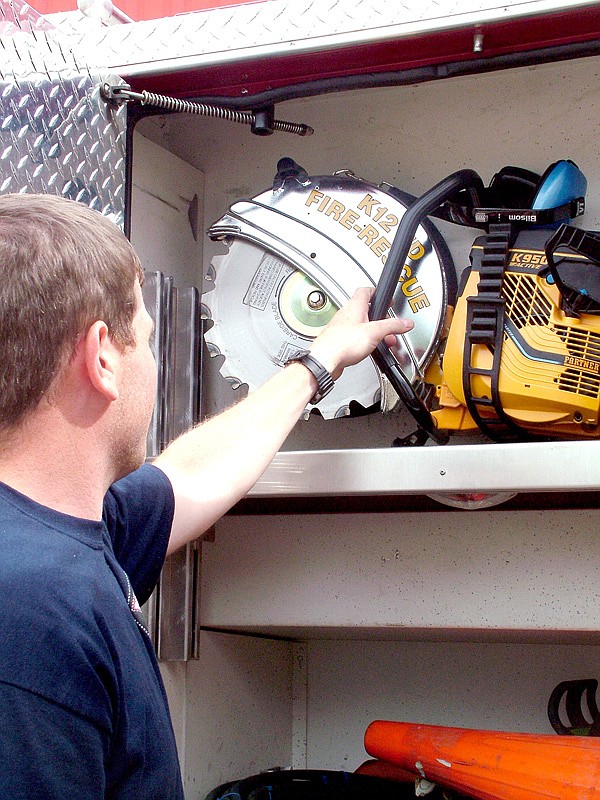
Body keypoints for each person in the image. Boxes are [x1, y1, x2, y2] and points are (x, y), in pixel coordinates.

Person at [0, 193, 414, 799]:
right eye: (144, 338)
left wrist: (318, 361)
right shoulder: (34, 612)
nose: (151, 360)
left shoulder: (68, 535)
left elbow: (190, 475)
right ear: (103, 359)